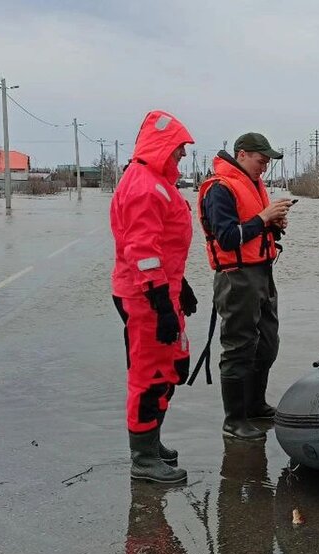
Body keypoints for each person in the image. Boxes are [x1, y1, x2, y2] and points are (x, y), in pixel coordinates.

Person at [110, 110, 198, 484]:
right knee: (149, 374)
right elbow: (143, 251)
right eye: (178, 151)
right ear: (161, 147)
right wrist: (161, 304)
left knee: (173, 365)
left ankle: (151, 440)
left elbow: (163, 248)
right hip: (146, 296)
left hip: (161, 289)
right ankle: (143, 457)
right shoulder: (144, 186)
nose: (181, 158)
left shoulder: (155, 182)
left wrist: (182, 286)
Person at [194, 133, 293, 441]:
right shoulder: (219, 189)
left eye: (267, 163)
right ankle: (234, 420)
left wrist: (272, 224)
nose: (264, 168)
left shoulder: (252, 184)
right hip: (236, 278)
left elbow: (251, 228)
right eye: (261, 161)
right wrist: (263, 218)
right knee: (238, 347)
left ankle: (255, 405)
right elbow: (226, 237)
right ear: (242, 154)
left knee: (267, 343)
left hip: (262, 273)